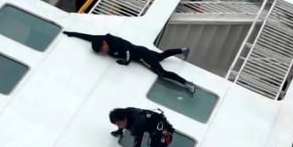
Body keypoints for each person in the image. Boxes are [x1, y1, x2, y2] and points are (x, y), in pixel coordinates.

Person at [62, 31, 196, 93]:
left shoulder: (113, 43)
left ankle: (187, 83)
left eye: (102, 49)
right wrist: (72, 33)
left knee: (162, 73)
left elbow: (127, 52)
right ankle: (182, 50)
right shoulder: (100, 40)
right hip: (141, 50)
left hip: (141, 56)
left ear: (104, 43)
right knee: (160, 56)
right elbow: (88, 36)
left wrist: (125, 62)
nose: (103, 52)